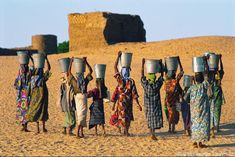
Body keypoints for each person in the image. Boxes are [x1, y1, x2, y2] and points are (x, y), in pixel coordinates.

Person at [111, 51, 142, 136]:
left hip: (125, 102)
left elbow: (134, 93)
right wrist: (118, 57)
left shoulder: (127, 80)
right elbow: (115, 67)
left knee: (126, 117)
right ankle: (125, 131)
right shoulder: (123, 80)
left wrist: (138, 104)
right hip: (125, 102)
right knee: (124, 117)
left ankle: (126, 131)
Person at [184, 56, 211, 148]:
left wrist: (189, 102)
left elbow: (185, 97)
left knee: (195, 124)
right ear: (202, 79)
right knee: (203, 124)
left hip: (194, 110)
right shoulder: (204, 85)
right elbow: (207, 73)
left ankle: (195, 141)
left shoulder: (192, 88)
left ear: (195, 80)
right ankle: (200, 143)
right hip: (203, 110)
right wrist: (205, 62)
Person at [141, 58, 164, 140]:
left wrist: (142, 64)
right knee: (154, 118)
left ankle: (152, 133)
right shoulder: (156, 86)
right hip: (155, 105)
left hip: (148, 106)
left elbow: (142, 77)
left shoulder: (146, 86)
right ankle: (153, 134)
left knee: (150, 119)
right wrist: (161, 65)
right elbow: (162, 77)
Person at [27, 54, 51, 134]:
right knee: (43, 111)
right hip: (43, 96)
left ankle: (38, 129)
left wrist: (31, 58)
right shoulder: (42, 78)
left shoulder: (33, 79)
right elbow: (49, 69)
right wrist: (46, 59)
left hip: (36, 97)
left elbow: (29, 90)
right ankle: (43, 128)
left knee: (37, 111)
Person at [57, 57, 78, 136]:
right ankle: (69, 131)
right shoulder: (68, 81)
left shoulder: (62, 81)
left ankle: (64, 130)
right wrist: (71, 62)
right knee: (72, 117)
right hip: (68, 101)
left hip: (63, 101)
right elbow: (69, 72)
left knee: (67, 115)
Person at [74, 57, 93, 138]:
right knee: (81, 116)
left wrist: (72, 62)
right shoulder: (84, 81)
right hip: (81, 98)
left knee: (82, 115)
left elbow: (68, 73)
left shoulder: (75, 82)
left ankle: (81, 133)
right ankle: (77, 133)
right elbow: (91, 71)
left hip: (80, 98)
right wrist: (86, 62)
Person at [164, 56, 184, 133]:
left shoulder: (166, 81)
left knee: (169, 114)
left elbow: (166, 72)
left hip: (167, 101)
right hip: (176, 101)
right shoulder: (175, 82)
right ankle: (173, 129)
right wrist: (179, 61)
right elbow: (182, 72)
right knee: (175, 114)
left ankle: (170, 128)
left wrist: (166, 62)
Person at [14, 53, 33, 132]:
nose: (23, 69)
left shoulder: (29, 74)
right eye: (22, 67)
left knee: (27, 111)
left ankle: (25, 126)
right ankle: (23, 126)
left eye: (25, 67)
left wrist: (31, 58)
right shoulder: (20, 76)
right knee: (21, 111)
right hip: (21, 95)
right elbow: (16, 85)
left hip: (27, 94)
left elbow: (34, 67)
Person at [208, 54, 225, 136]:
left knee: (211, 112)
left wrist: (207, 61)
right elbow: (222, 70)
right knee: (217, 112)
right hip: (217, 99)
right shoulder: (218, 80)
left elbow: (205, 72)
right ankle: (216, 127)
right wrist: (219, 60)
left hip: (211, 99)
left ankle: (212, 128)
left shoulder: (209, 79)